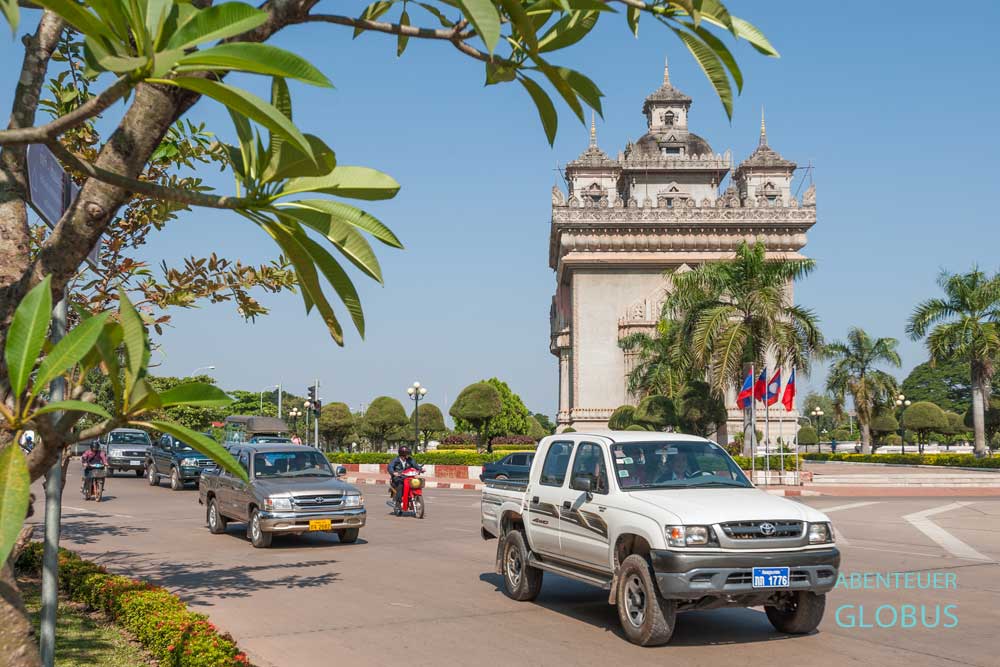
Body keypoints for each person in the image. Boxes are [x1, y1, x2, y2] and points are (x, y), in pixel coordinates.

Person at [387, 445, 424, 512]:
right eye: (407, 454)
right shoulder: (395, 460)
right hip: (398, 478)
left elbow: (416, 465)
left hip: (407, 478)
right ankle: (398, 504)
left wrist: (421, 469)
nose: (408, 456)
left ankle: (412, 498)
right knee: (401, 486)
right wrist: (393, 473)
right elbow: (390, 467)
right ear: (402, 454)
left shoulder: (409, 460)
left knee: (415, 483)